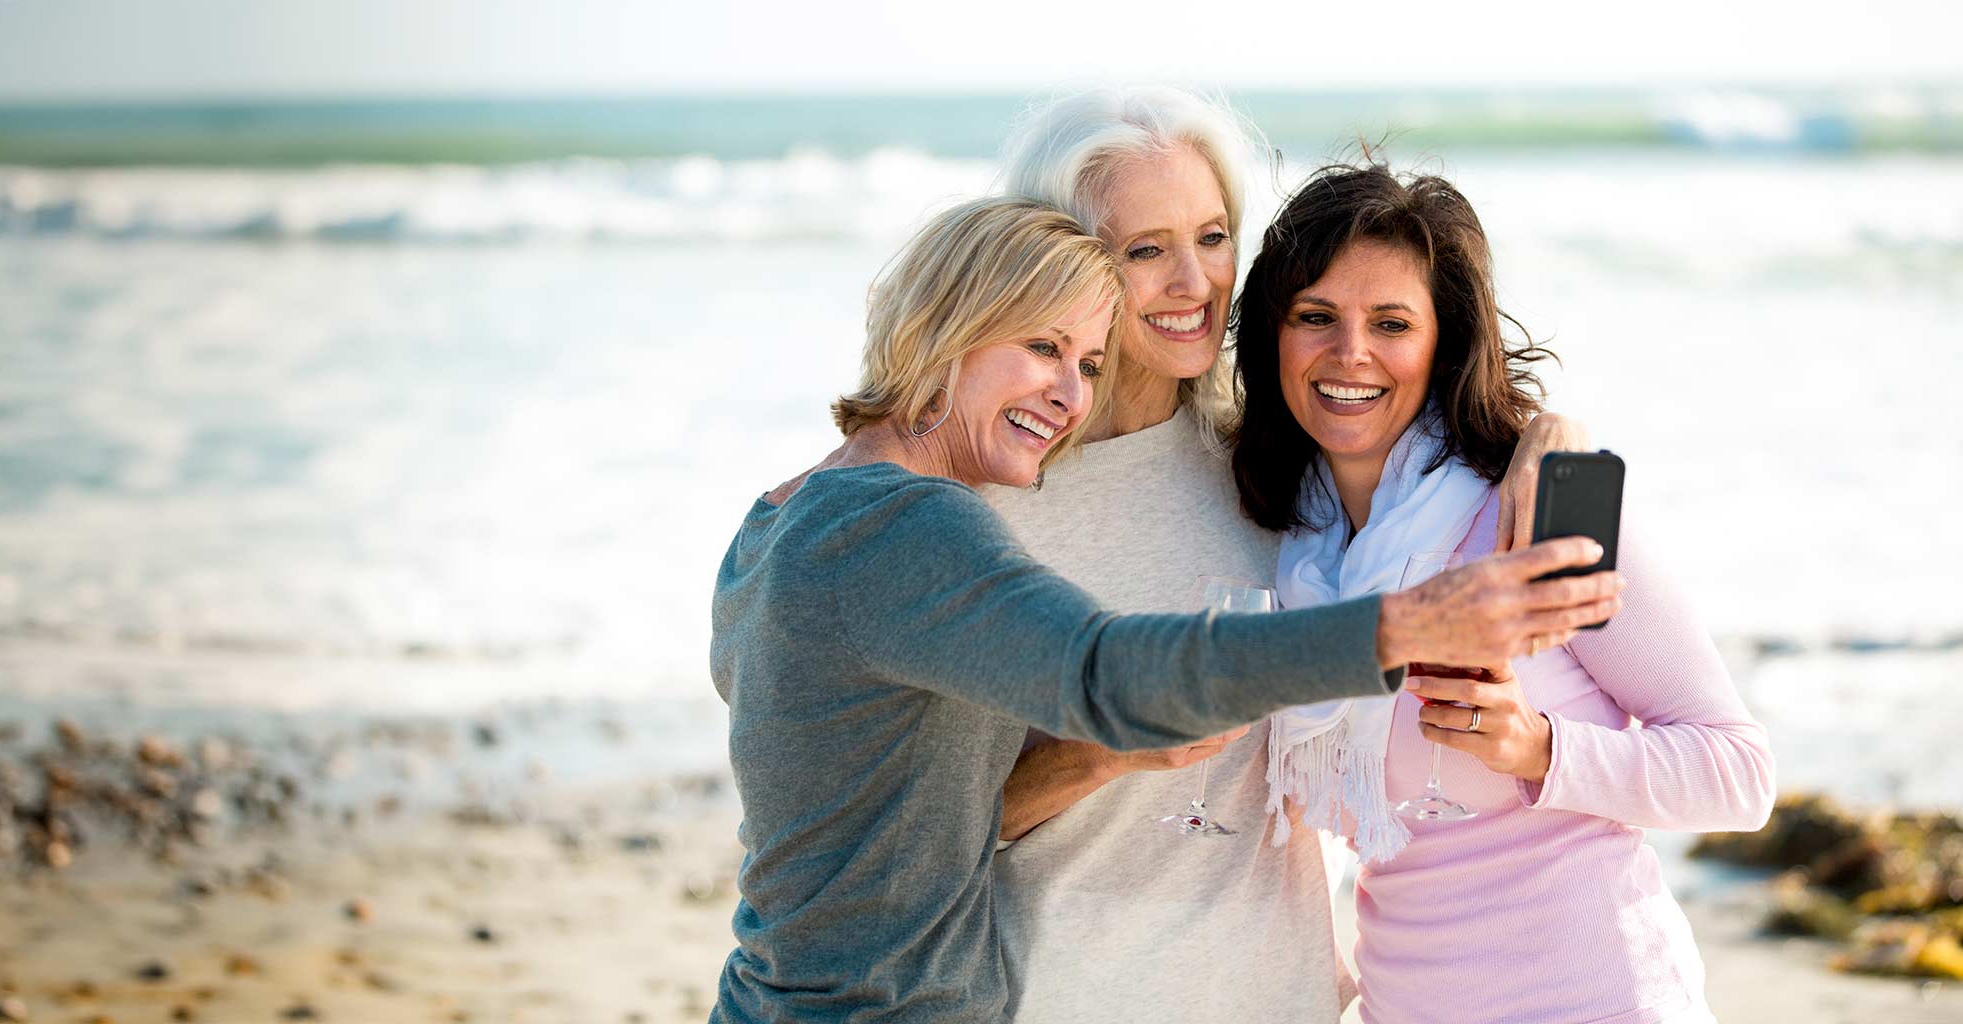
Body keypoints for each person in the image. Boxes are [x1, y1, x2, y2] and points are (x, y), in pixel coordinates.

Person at [708, 195, 1622, 1023]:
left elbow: (880, 811)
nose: (1069, 395)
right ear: (947, 329)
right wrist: (1408, 624)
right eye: (1040, 347)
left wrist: (1543, 428)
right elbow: (1103, 671)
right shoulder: (906, 525)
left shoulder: (783, 516)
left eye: (1090, 362)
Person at [984, 86, 1590, 1021]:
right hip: (1068, 992)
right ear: (1057, 256)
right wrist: (1104, 749)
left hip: (1282, 995)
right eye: (1144, 250)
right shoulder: (989, 502)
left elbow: (1424, 415)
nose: (1196, 284)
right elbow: (922, 830)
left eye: (1214, 237)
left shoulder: (1265, 461)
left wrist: (1556, 432)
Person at [1230, 164, 1774, 1023]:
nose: (1350, 355)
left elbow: (1737, 774)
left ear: (1443, 343)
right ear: (1273, 335)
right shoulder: (1286, 548)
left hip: (1595, 999)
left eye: (1392, 324)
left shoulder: (1533, 509)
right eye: (1315, 317)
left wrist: (1540, 749)